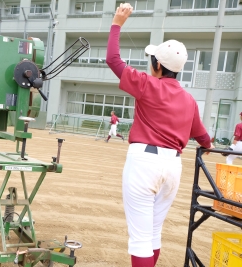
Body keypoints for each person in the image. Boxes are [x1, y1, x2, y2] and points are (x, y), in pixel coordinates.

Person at [106, 4, 214, 267]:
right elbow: (202, 136)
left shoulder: (147, 84)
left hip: (144, 163)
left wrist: (117, 23)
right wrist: (207, 146)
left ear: (157, 64)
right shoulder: (189, 99)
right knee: (153, 234)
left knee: (141, 239)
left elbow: (113, 60)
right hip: (173, 167)